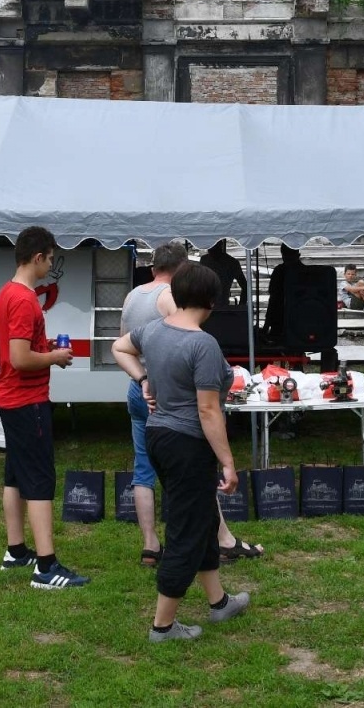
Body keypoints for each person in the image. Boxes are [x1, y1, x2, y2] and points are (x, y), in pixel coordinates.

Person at [112, 263, 252, 642]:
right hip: (187, 444)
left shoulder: (155, 330)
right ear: (212, 301)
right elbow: (208, 411)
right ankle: (163, 626)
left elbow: (119, 346)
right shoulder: (202, 344)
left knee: (202, 519)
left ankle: (219, 602)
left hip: (159, 436)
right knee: (187, 531)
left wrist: (142, 378)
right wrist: (228, 463)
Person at [121, 243, 261, 568]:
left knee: (143, 469)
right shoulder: (172, 298)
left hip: (140, 387)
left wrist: (142, 378)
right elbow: (184, 340)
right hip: (170, 396)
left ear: (154, 267)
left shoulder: (132, 296)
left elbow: (124, 342)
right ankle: (219, 540)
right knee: (193, 474)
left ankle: (150, 545)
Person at [0, 226, 90, 589]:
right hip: (27, 400)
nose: (51, 265)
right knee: (39, 480)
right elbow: (19, 359)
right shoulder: (24, 299)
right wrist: (54, 357)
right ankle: (46, 568)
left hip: (8, 397)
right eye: (50, 259)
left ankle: (16, 551)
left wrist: (40, 347)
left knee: (15, 476)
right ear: (37, 258)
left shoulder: (5, 293)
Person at [199, 240, 249, 308]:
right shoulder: (204, 260)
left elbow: (245, 286)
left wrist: (241, 306)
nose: (210, 250)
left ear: (220, 246)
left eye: (213, 247)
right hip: (206, 305)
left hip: (222, 305)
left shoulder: (232, 263)